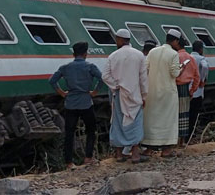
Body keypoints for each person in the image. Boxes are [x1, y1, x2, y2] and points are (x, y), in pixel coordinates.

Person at [49, 41, 102, 169]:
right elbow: (102, 78)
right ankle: (88, 158)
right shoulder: (90, 66)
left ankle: (69, 162)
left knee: (69, 133)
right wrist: (95, 92)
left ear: (73, 54)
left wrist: (61, 92)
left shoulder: (65, 67)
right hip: (86, 102)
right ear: (85, 54)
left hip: (70, 103)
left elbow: (52, 80)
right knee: (91, 130)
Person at [102, 29, 148, 163]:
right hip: (135, 94)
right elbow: (143, 78)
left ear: (120, 40)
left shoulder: (113, 56)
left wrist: (116, 85)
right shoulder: (139, 55)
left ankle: (119, 154)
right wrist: (144, 95)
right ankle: (135, 154)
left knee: (117, 122)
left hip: (118, 94)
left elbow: (105, 76)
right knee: (135, 123)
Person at [142, 29, 181, 158]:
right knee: (168, 121)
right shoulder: (174, 54)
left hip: (152, 91)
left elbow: (145, 69)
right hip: (167, 93)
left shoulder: (152, 51)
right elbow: (174, 73)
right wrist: (182, 68)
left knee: (151, 120)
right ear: (175, 41)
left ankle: (148, 149)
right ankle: (166, 150)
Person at [175, 42, 199, 147]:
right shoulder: (191, 58)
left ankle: (172, 141)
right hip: (185, 88)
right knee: (184, 115)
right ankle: (182, 141)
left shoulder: (175, 57)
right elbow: (197, 76)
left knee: (173, 115)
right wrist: (192, 90)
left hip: (174, 88)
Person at [188, 40, 209, 140]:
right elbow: (205, 66)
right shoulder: (201, 58)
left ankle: (184, 136)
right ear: (201, 49)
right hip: (198, 91)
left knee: (186, 114)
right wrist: (203, 79)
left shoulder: (188, 57)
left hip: (187, 89)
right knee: (194, 114)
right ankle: (191, 134)